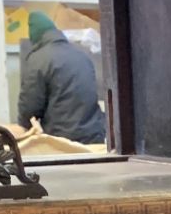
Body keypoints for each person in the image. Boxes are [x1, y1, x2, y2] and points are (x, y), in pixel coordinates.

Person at [15, 9, 106, 142]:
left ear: (35, 37)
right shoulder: (82, 55)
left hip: (61, 140)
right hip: (93, 135)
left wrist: (24, 126)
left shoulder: (39, 59)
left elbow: (30, 106)